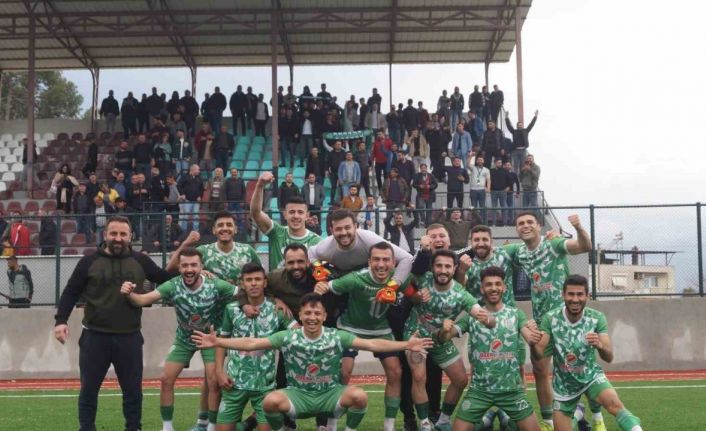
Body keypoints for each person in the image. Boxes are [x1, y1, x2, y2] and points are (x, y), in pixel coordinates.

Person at [193, 293, 432, 431]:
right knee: (270, 401)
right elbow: (253, 343)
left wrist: (406, 345)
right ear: (300, 314)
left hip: (330, 395)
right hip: (298, 395)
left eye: (317, 313)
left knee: (359, 396)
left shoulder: (336, 336)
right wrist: (218, 342)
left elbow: (373, 344)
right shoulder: (288, 337)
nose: (312, 317)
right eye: (307, 313)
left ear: (324, 316)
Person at [53, 216, 175, 431]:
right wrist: (60, 321)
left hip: (129, 337)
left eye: (123, 234)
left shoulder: (141, 261)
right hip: (94, 337)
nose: (118, 238)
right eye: (114, 233)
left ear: (130, 236)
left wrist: (194, 272)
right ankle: (86, 428)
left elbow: (165, 278)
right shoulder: (88, 262)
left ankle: (133, 427)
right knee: (88, 390)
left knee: (133, 392)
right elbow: (71, 292)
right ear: (105, 234)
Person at [120, 247, 236, 431]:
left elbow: (242, 293)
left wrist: (256, 304)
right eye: (185, 265)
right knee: (166, 379)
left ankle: (211, 427)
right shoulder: (172, 286)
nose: (189, 269)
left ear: (201, 267)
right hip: (184, 339)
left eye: (194, 265)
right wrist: (129, 293)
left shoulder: (215, 284)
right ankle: (167, 427)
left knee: (213, 381)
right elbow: (143, 300)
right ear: (179, 268)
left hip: (210, 340)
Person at [313, 242, 414, 431]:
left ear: (393, 262)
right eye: (376, 259)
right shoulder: (355, 279)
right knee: (344, 372)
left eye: (386, 260)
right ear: (369, 262)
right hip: (350, 328)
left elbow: (413, 295)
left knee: (395, 372)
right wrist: (320, 287)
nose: (381, 264)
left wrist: (421, 295)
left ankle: (389, 426)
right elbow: (327, 287)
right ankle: (332, 424)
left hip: (381, 330)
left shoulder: (399, 278)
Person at [505, 212, 592, 430]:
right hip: (541, 322)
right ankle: (549, 422)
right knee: (540, 370)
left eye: (529, 222)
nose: (525, 226)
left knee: (572, 370)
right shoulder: (519, 251)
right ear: (517, 229)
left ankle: (580, 412)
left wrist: (578, 227)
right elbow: (489, 251)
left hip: (565, 319)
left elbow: (585, 246)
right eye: (521, 223)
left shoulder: (553, 243)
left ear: (539, 226)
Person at [531, 275, 643, 431]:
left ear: (587, 296)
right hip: (564, 386)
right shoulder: (550, 319)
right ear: (563, 295)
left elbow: (609, 357)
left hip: (591, 377)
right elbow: (539, 354)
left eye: (580, 294)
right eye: (571, 294)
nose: (575, 299)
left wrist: (600, 345)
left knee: (615, 404)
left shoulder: (596, 318)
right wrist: (532, 344)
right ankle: (578, 413)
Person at [439, 266, 543, 431]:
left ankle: (507, 422)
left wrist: (534, 337)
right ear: (482, 288)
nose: (493, 288)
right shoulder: (472, 317)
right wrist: (444, 329)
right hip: (479, 392)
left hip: (511, 392)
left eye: (497, 284)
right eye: (489, 284)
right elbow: (444, 338)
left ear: (504, 287)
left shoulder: (516, 314)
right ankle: (486, 421)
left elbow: (530, 339)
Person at [405, 250, 491, 431]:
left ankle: (443, 421)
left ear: (454, 268)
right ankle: (424, 424)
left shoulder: (460, 293)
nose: (443, 270)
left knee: (460, 380)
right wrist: (415, 294)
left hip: (441, 339)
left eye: (447, 266)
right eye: (439, 265)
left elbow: (477, 310)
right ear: (432, 267)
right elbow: (402, 282)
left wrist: (485, 318)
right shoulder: (423, 278)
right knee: (419, 377)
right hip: (416, 335)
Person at [216, 262, 296, 431]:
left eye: (258, 279)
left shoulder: (277, 310)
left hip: (265, 386)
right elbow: (221, 340)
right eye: (249, 280)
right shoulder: (231, 309)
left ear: (265, 283)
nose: (253, 283)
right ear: (242, 284)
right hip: (234, 382)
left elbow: (298, 333)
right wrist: (219, 372)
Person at [251, 172, 321, 270]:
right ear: (285, 215)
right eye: (292, 212)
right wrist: (260, 185)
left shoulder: (316, 241)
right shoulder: (277, 232)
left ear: (307, 215)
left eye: (300, 212)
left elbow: (320, 272)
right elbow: (256, 213)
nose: (296, 216)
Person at [461, 225, 515, 306]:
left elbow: (526, 247)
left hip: (508, 312)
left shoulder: (505, 254)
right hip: (479, 312)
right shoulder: (466, 263)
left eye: (485, 239)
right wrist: (461, 271)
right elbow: (460, 289)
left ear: (491, 242)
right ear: (470, 242)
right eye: (476, 240)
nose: (481, 244)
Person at [177, 164, 204, 232]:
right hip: (187, 200)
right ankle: (183, 232)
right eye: (198, 169)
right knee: (185, 216)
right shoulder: (184, 176)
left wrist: (200, 196)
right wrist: (182, 194)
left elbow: (202, 188)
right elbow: (179, 185)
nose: (199, 171)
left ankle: (196, 231)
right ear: (193, 169)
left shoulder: (199, 178)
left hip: (196, 201)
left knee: (196, 217)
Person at [469, 156, 491, 224]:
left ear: (483, 161)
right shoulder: (473, 168)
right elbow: (467, 164)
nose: (480, 161)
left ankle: (482, 222)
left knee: (482, 207)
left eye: (481, 160)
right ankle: (474, 223)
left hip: (482, 190)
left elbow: (488, 180)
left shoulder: (486, 170)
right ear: (476, 161)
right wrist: (470, 156)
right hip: (473, 190)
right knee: (473, 207)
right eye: (478, 160)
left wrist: (488, 188)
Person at [489, 158, 510, 226]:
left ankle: (505, 224)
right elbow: (488, 180)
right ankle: (494, 224)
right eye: (498, 163)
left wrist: (508, 187)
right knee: (494, 208)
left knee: (504, 207)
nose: (500, 164)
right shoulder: (491, 171)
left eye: (500, 163)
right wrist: (488, 188)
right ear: (495, 163)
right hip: (493, 191)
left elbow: (509, 179)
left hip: (503, 191)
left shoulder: (505, 170)